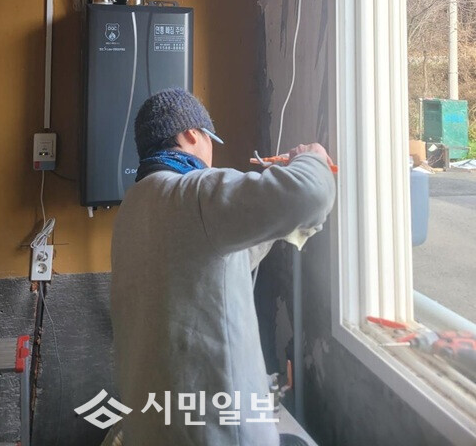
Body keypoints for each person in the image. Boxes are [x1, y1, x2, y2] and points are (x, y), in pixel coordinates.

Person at [109, 88, 336, 446]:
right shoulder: (194, 192)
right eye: (209, 140)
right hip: (217, 433)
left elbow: (217, 262)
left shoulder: (135, 206)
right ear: (191, 134)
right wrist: (312, 157)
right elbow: (311, 193)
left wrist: (267, 214)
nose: (211, 154)